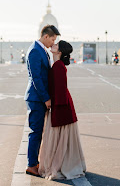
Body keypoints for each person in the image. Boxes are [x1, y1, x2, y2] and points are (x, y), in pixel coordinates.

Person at [38, 40, 86, 180]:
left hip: (61, 105)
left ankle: (59, 165)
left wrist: (53, 108)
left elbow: (59, 90)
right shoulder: (57, 65)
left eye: (56, 44)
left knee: (59, 138)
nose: (53, 44)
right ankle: (63, 163)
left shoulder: (58, 66)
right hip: (62, 103)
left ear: (59, 51)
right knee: (62, 140)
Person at [24, 25, 61, 176]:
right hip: (36, 98)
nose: (53, 43)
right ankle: (31, 165)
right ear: (46, 36)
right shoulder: (34, 51)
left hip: (38, 98)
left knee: (38, 132)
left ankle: (35, 162)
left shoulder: (41, 50)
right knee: (35, 132)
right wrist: (46, 98)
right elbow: (36, 79)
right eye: (52, 39)